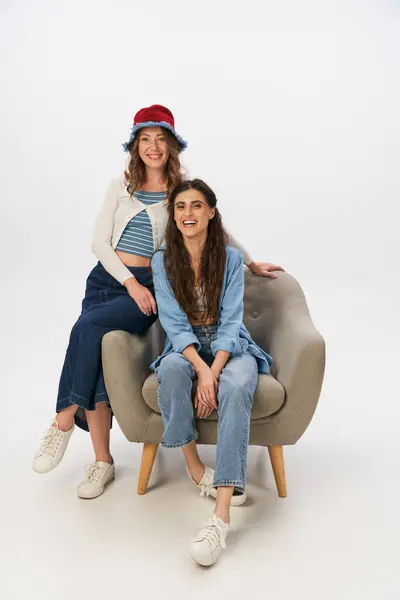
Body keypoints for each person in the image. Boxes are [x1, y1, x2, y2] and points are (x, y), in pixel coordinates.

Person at [32, 104, 283, 500]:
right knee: (95, 356)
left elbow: (216, 227)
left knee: (85, 329)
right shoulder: (121, 184)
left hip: (150, 283)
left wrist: (250, 261)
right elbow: (100, 242)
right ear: (135, 145)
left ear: (171, 146)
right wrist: (128, 282)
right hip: (108, 280)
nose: (153, 147)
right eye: (145, 139)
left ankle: (63, 419)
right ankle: (102, 461)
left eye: (160, 139)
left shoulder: (180, 189)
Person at [151, 178, 273, 566]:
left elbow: (232, 321)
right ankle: (193, 467)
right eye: (181, 207)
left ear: (211, 212)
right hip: (186, 347)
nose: (188, 213)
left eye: (197, 206)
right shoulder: (162, 260)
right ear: (173, 215)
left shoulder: (232, 259)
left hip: (231, 346)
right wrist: (201, 370)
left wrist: (214, 370)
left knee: (235, 388)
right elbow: (173, 322)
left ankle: (220, 517)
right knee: (169, 371)